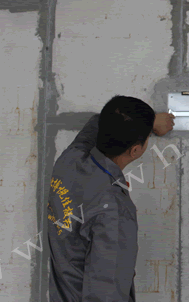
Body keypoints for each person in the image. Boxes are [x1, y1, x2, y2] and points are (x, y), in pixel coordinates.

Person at [47, 95, 175, 302]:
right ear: (135, 150)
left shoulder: (69, 160)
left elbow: (100, 120)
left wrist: (148, 122)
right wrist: (148, 124)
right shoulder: (114, 210)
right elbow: (107, 294)